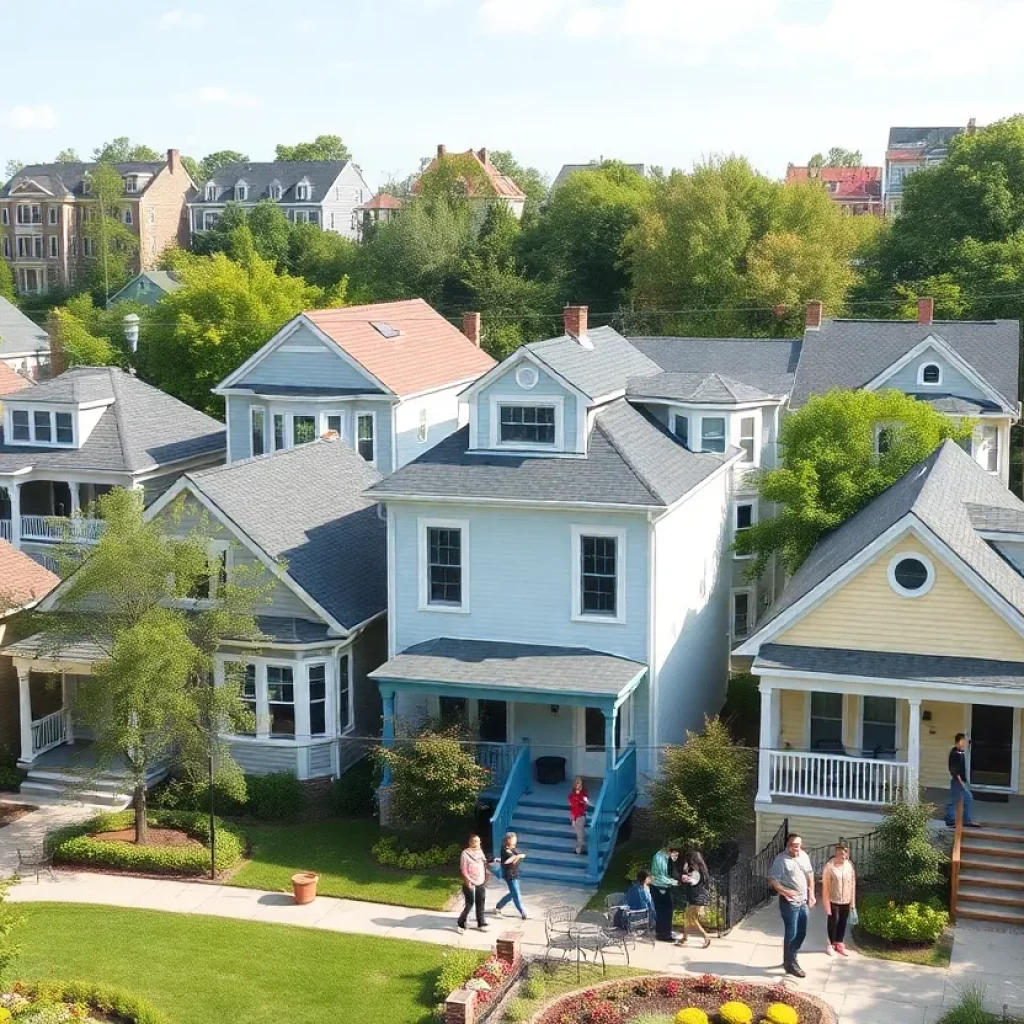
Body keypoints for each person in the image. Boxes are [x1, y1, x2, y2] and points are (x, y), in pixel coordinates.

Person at [769, 833, 815, 978]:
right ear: (788, 846)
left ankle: (788, 959)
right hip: (789, 903)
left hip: (803, 901)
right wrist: (785, 891)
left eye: (799, 845)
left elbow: (810, 874)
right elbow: (773, 880)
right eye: (795, 846)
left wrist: (812, 893)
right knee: (792, 933)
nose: (798, 848)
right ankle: (791, 963)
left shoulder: (803, 856)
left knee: (802, 932)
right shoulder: (781, 860)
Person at [821, 841, 856, 957]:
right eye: (838, 852)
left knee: (843, 922)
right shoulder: (829, 866)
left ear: (847, 854)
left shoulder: (849, 866)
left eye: (843, 853)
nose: (840, 855)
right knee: (833, 922)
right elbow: (825, 886)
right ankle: (830, 944)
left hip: (846, 900)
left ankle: (839, 943)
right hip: (833, 899)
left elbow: (852, 885)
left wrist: (853, 903)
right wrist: (826, 904)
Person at [677, 848, 712, 949]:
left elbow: (694, 881)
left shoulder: (695, 870)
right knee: (688, 917)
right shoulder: (701, 869)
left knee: (692, 919)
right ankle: (684, 938)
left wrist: (686, 878)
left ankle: (706, 937)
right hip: (697, 896)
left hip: (695, 897)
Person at [945, 733, 981, 828]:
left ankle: (962, 820)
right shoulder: (954, 753)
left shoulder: (960, 752)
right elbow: (954, 770)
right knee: (964, 798)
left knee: (959, 799)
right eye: (963, 741)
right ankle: (951, 820)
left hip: (960, 781)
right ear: (959, 741)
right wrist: (961, 781)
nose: (965, 743)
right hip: (957, 781)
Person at [456, 834, 489, 934]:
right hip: (470, 882)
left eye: (479, 841)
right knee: (470, 904)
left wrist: (486, 877)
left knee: (481, 902)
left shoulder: (480, 852)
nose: (478, 843)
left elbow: (484, 864)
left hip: (480, 881)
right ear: (470, 842)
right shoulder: (465, 854)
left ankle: (481, 923)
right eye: (475, 841)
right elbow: (463, 869)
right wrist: (468, 881)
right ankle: (461, 923)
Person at [649, 842, 680, 942]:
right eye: (675, 851)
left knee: (663, 911)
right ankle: (664, 935)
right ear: (669, 849)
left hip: (661, 886)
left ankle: (662, 933)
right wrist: (674, 882)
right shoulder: (660, 858)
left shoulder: (663, 856)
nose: (676, 853)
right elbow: (660, 876)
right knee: (665, 911)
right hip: (660, 887)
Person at [493, 831, 527, 920]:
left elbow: (514, 860)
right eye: (513, 839)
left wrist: (519, 856)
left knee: (513, 893)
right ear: (508, 839)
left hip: (515, 873)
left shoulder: (514, 849)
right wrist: (518, 856)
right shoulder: (504, 849)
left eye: (515, 839)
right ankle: (522, 911)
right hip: (509, 875)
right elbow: (507, 861)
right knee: (516, 894)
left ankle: (499, 905)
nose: (515, 841)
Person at [568, 777, 590, 855]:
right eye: (576, 782)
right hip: (575, 816)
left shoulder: (583, 793)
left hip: (581, 816)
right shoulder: (572, 795)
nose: (576, 784)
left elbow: (586, 802)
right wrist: (573, 819)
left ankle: (579, 850)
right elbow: (572, 807)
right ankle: (582, 848)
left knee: (580, 834)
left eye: (578, 782)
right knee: (579, 833)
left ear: (582, 784)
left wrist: (583, 801)